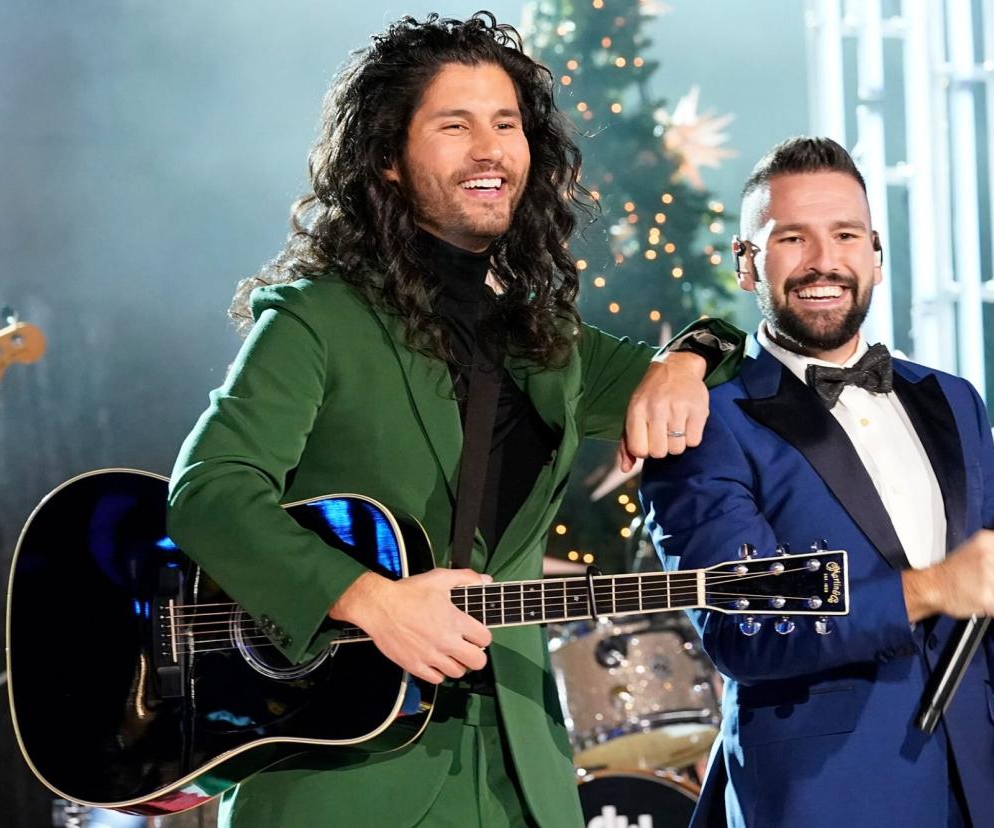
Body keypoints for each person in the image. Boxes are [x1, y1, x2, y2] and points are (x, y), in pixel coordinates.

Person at [166, 13, 741, 828]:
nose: (491, 148)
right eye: (455, 124)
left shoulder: (547, 342)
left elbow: (734, 367)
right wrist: (368, 599)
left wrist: (690, 355)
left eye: (507, 124)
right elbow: (208, 494)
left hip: (520, 777)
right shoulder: (316, 318)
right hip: (341, 783)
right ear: (389, 162)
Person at [640, 137, 994, 828]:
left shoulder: (954, 399)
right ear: (746, 264)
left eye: (845, 235)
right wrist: (929, 589)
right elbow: (749, 632)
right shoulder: (705, 421)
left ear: (875, 255)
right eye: (791, 238)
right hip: (820, 802)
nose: (824, 261)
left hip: (985, 799)